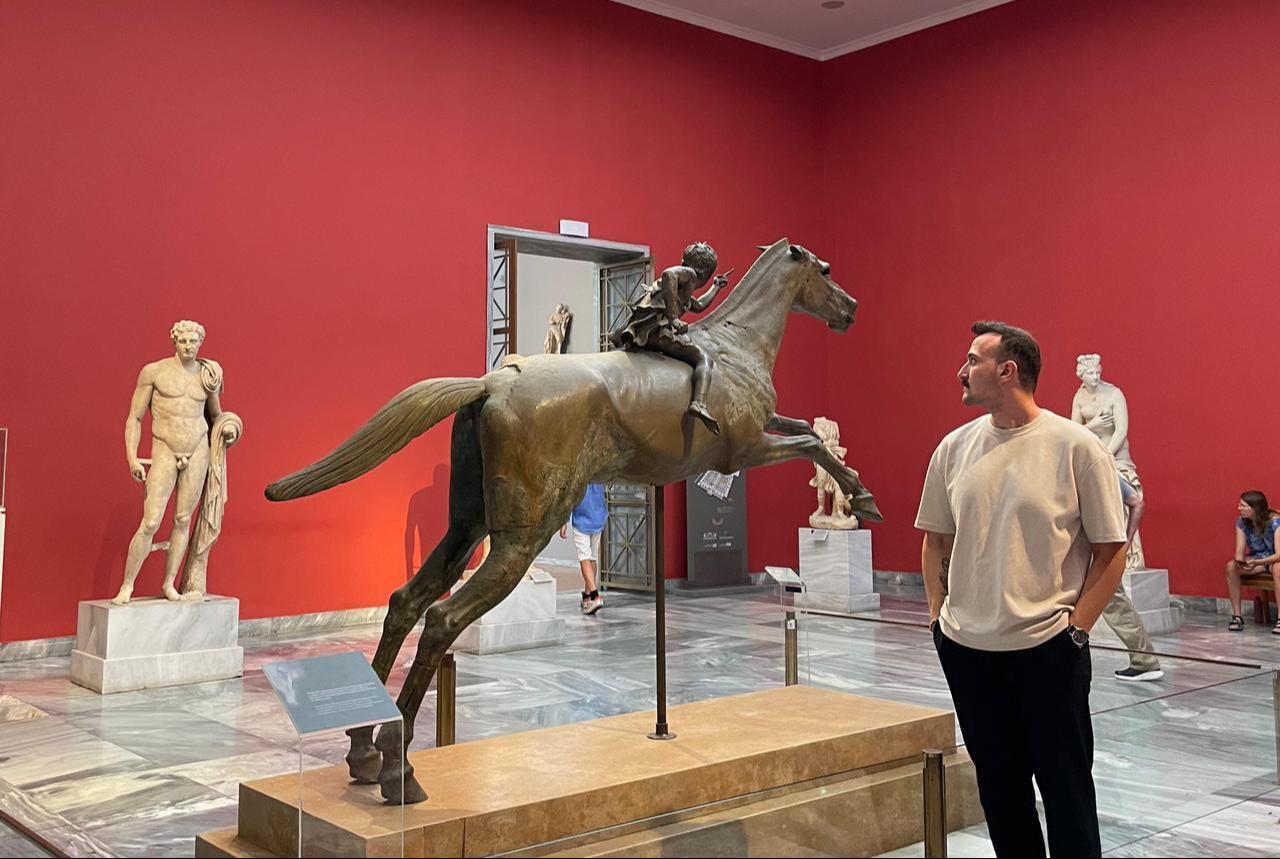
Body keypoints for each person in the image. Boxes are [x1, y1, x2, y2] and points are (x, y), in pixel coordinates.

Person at [917, 321, 1128, 858]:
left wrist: (1076, 632)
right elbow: (935, 541)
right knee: (1001, 795)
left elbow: (1111, 549)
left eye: (972, 361)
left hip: (1048, 651)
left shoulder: (1076, 447)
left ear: (1007, 370)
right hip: (968, 652)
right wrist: (938, 620)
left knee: (1067, 795)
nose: (960, 372)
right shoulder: (953, 448)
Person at [114, 320, 240, 604]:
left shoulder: (207, 377)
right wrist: (132, 456)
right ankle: (127, 585)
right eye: (183, 341)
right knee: (151, 521)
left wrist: (230, 427)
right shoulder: (154, 372)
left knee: (183, 519)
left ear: (200, 343)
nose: (188, 346)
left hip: (197, 448)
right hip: (164, 448)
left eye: (193, 342)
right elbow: (134, 418)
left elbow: (216, 414)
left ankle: (169, 584)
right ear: (174, 342)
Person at [608, 242, 731, 434]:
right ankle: (699, 403)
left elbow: (697, 306)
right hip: (654, 331)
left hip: (646, 330)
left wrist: (716, 287)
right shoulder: (689, 274)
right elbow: (669, 274)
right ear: (705, 273)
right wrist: (674, 319)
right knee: (704, 359)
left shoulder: (684, 290)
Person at [1225, 490, 1280, 633]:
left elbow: (1279, 555)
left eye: (1243, 506)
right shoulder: (1242, 522)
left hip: (1274, 558)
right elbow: (1239, 551)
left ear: (1255, 508)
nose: (1239, 508)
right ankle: (1237, 616)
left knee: (1278, 567)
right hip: (1258, 558)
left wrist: (1258, 563)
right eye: (1239, 505)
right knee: (1231, 567)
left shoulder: (1275, 522)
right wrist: (1241, 562)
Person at [561, 483, 607, 615]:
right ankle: (587, 596)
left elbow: (571, 496)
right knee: (593, 558)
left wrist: (564, 520)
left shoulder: (579, 474)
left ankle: (595, 596)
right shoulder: (598, 471)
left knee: (584, 558)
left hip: (582, 519)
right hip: (598, 517)